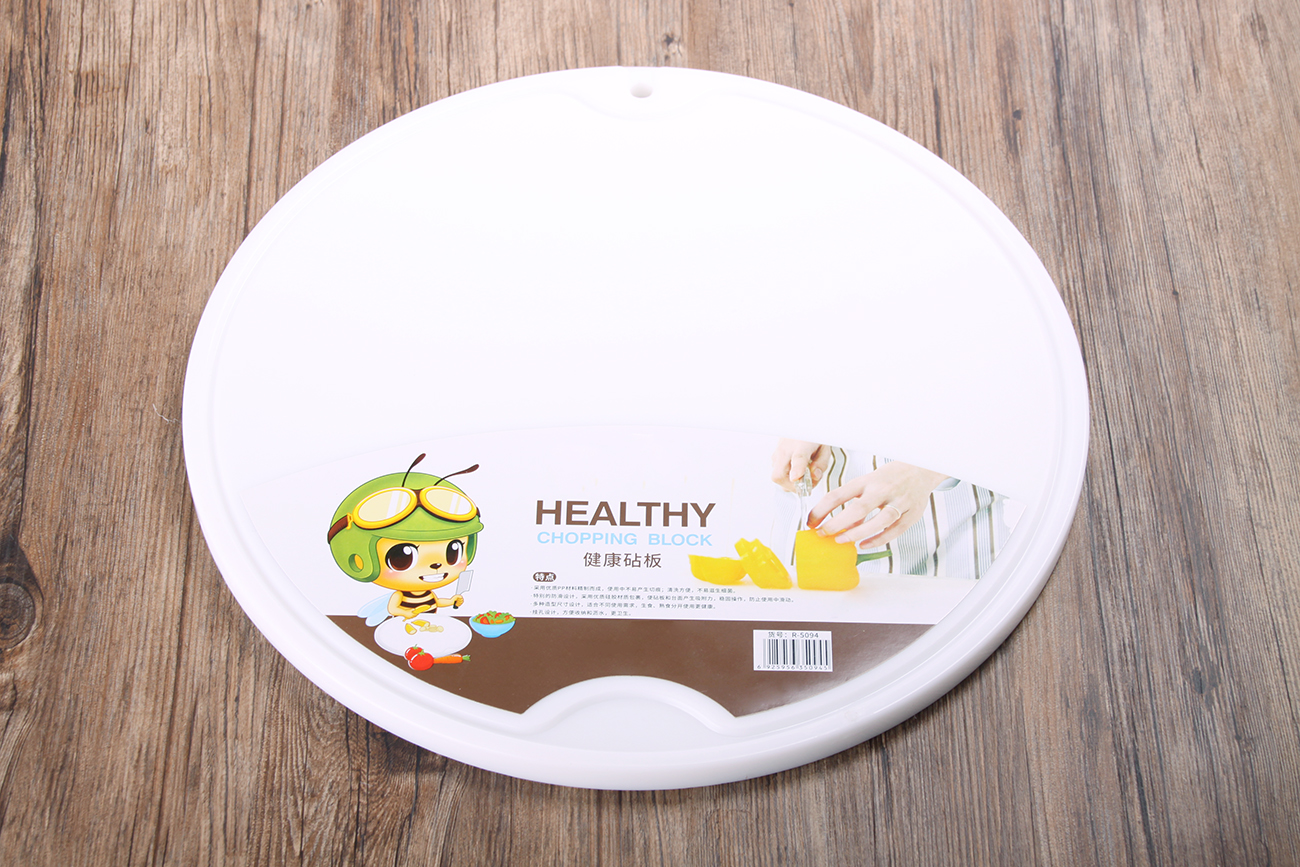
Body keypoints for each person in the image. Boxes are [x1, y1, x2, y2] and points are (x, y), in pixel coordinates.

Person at [770, 438, 1018, 580]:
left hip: (955, 543)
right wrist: (802, 422)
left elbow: (1028, 408)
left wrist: (926, 470)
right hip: (815, 498)